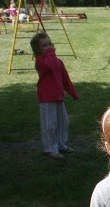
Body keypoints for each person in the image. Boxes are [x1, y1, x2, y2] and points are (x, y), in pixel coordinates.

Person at [31, 32, 79, 160]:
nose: (49, 47)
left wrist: (72, 92)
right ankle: (50, 148)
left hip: (58, 96)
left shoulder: (58, 61)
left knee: (63, 122)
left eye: (50, 44)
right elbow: (49, 65)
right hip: (46, 97)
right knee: (49, 124)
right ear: (38, 50)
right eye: (45, 46)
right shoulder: (40, 61)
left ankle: (61, 144)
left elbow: (65, 78)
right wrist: (51, 53)